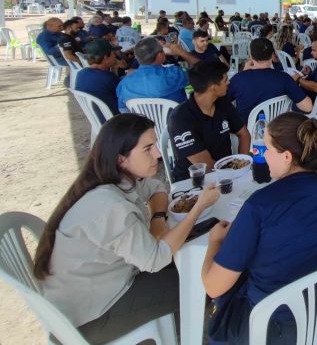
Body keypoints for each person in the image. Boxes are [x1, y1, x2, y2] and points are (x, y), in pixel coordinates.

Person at [33, 114, 220, 343]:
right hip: (90, 317)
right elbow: (155, 259)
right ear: (121, 158)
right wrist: (198, 208)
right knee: (206, 281)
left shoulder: (115, 179)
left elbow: (157, 188)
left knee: (191, 265)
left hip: (100, 288)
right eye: (148, 149)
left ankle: (182, 328)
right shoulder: (110, 206)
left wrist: (158, 220)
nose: (158, 155)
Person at [201, 113, 317, 343]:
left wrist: (214, 241)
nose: (259, 153)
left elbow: (213, 287)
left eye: (267, 149)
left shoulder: (259, 205)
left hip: (277, 330)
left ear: (287, 157)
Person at [167, 61, 250, 181]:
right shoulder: (180, 118)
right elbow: (206, 166)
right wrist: (234, 173)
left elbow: (244, 134)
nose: (229, 82)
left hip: (227, 172)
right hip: (194, 182)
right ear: (213, 88)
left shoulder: (223, 104)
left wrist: (243, 164)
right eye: (225, 79)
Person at [228, 38, 312, 122]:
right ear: (272, 55)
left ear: (251, 55)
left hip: (245, 132)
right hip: (275, 130)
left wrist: (244, 73)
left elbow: (221, 101)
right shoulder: (284, 78)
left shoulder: (238, 79)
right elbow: (308, 107)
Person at [116, 37, 197, 111]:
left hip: (142, 125)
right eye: (162, 50)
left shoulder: (124, 84)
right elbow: (203, 69)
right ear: (159, 55)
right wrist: (182, 52)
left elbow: (123, 110)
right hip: (176, 124)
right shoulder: (174, 74)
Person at [74, 40, 122, 115]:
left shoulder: (81, 74)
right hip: (115, 119)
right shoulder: (109, 78)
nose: (115, 56)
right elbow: (123, 96)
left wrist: (113, 69)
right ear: (106, 57)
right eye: (113, 54)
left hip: (96, 116)